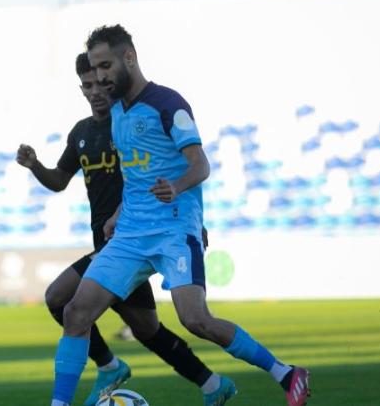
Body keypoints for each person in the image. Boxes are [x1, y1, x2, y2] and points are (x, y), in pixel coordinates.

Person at [49, 25, 311, 406]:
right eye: (94, 68)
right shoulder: (118, 113)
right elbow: (137, 174)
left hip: (174, 230)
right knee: (75, 312)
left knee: (196, 320)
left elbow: (200, 165)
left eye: (105, 65)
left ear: (129, 58)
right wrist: (119, 212)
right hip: (130, 234)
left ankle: (286, 374)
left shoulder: (168, 104)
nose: (101, 76)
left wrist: (177, 186)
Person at [18, 53, 221, 406]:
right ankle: (209, 383)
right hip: (111, 245)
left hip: (133, 238)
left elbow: (169, 165)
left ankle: (114, 368)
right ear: (80, 87)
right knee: (143, 329)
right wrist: (35, 165)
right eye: (87, 85)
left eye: (99, 83)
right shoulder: (81, 133)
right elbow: (59, 181)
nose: (95, 91)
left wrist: (194, 221)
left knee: (67, 302)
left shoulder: (129, 125)